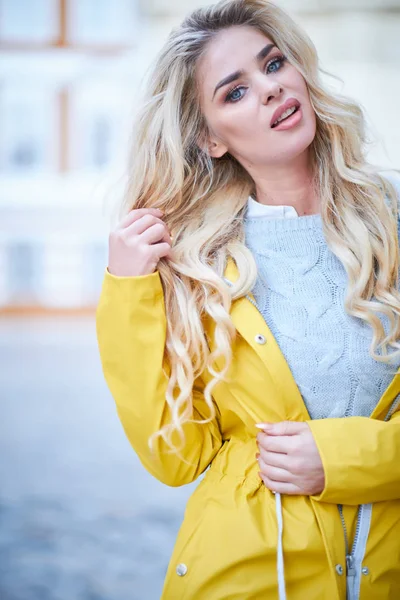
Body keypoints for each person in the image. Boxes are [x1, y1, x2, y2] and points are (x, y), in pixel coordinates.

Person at [95, 0, 400, 598]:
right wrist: (128, 290)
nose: (270, 89)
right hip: (248, 577)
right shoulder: (197, 265)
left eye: (274, 63)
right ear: (209, 138)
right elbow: (175, 457)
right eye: (234, 92)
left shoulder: (392, 223)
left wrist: (346, 460)